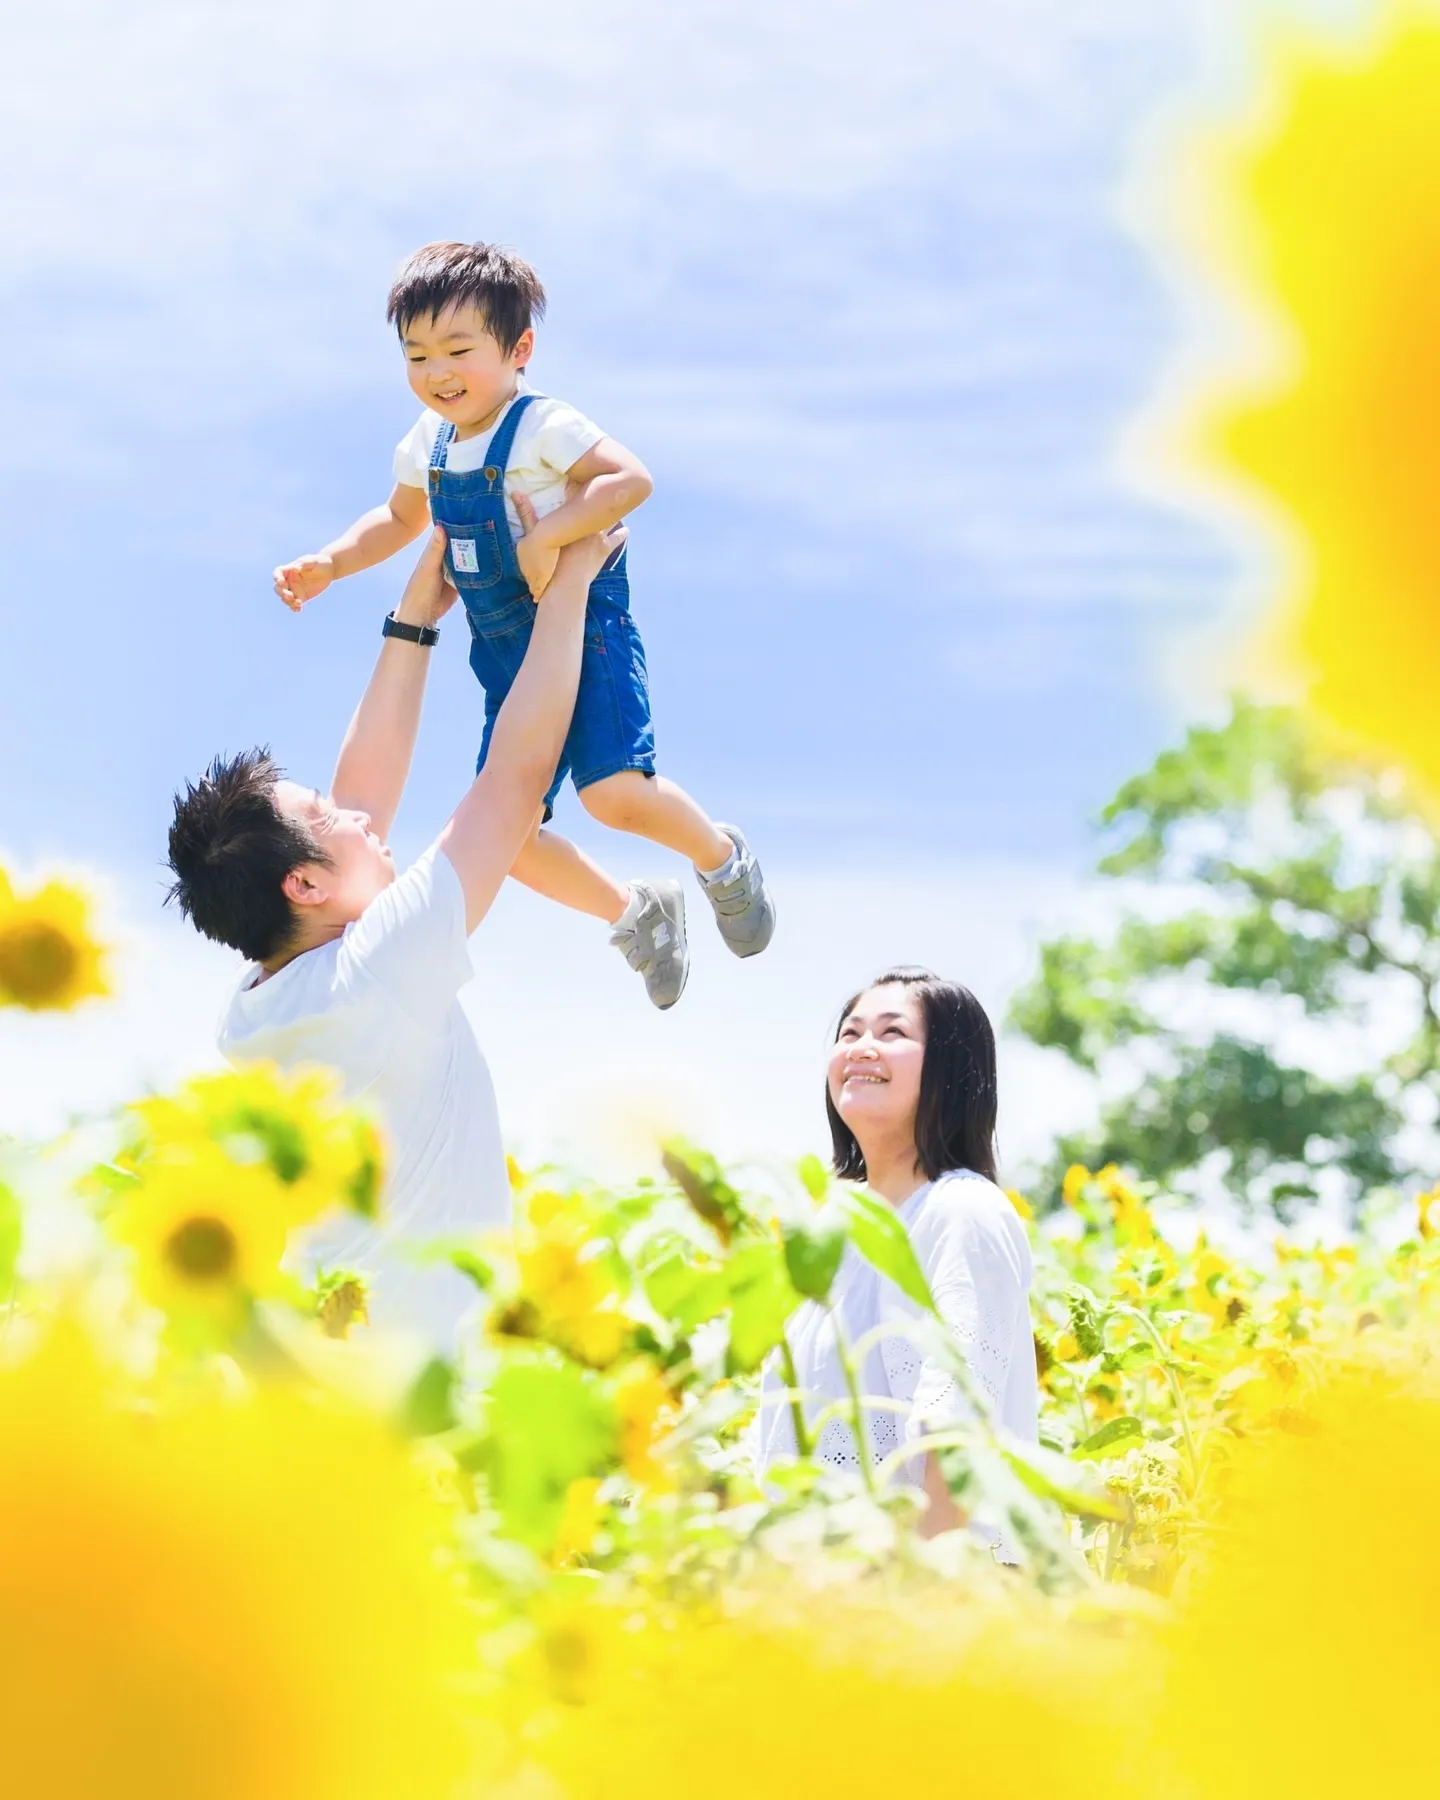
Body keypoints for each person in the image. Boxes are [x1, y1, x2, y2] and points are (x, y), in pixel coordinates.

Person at [271, 238, 774, 1009]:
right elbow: (398, 518)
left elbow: (629, 479)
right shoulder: (428, 444)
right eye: (416, 356)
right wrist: (333, 563)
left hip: (587, 631)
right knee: (503, 836)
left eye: (458, 349)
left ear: (519, 349)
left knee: (613, 795)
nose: (437, 373)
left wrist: (550, 535)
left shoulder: (542, 424)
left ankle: (721, 859)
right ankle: (638, 916)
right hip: (506, 651)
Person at [166, 515, 620, 1346]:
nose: (354, 815)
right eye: (322, 815)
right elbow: (514, 782)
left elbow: (362, 809)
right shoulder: (377, 972)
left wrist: (417, 613)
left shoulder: (259, 1006)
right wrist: (571, 583)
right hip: (434, 1390)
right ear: (301, 883)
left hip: (344, 1385)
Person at [750, 967, 1039, 1543]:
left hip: (922, 1588)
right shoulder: (832, 1229)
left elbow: (957, 1433)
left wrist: (919, 1603)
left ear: (952, 1071)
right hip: (821, 1590)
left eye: (892, 1033)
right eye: (849, 1033)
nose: (861, 1048)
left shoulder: (961, 1212)